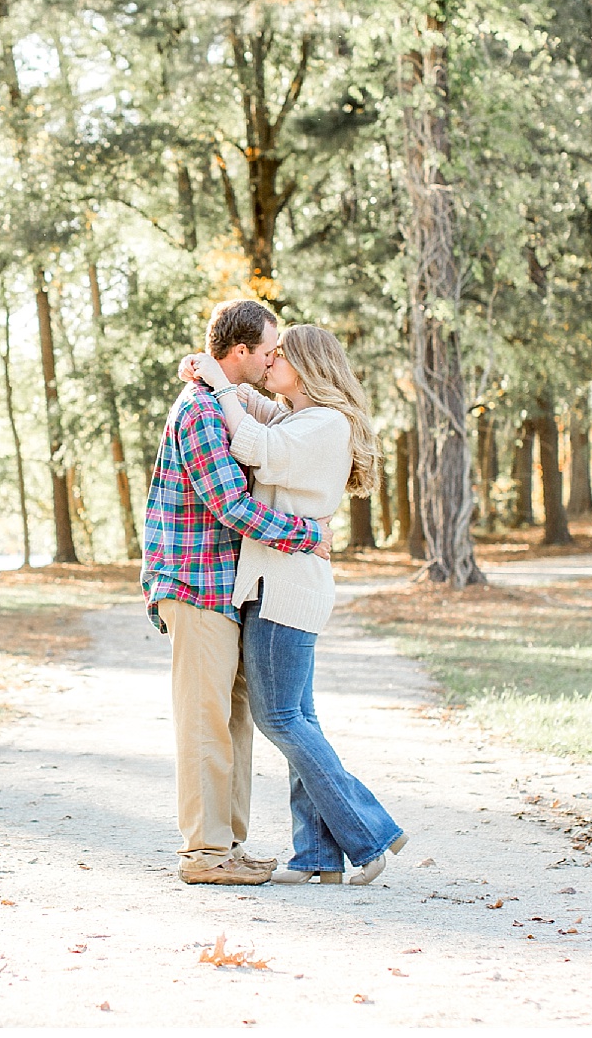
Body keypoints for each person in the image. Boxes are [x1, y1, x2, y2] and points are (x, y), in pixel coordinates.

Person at [179, 324, 409, 886]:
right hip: (279, 581)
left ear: (306, 367)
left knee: (280, 718)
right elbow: (251, 404)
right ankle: (317, 857)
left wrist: (221, 385)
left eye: (279, 355)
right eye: (267, 353)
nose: (270, 361)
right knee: (299, 720)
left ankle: (371, 831)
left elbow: (251, 445)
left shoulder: (324, 423)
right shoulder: (298, 418)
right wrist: (208, 369)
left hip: (284, 585)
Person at [142, 299, 332, 886]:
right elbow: (231, 505)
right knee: (205, 722)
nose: (275, 359)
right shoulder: (200, 410)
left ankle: (229, 845)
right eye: (269, 350)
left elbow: (278, 428)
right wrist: (308, 535)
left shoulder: (225, 399)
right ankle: (204, 852)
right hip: (195, 584)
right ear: (242, 350)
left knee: (234, 723)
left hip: (227, 589)